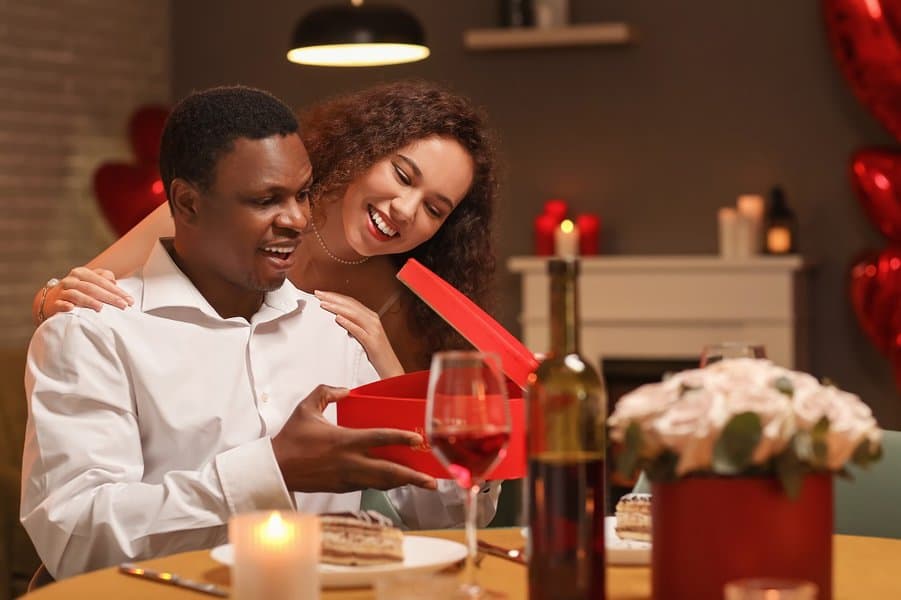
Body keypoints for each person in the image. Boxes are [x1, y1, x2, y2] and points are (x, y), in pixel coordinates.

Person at [20, 86, 492, 580]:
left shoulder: (342, 332)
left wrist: (471, 442)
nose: (295, 220)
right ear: (188, 204)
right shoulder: (96, 334)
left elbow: (442, 513)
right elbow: (75, 540)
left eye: (302, 195)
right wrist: (272, 469)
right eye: (266, 200)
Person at [33, 80, 498, 379]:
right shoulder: (229, 215)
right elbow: (63, 301)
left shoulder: (399, 302)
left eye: (435, 209)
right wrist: (56, 297)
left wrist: (384, 358)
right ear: (364, 150)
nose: (404, 209)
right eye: (402, 175)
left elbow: (420, 447)